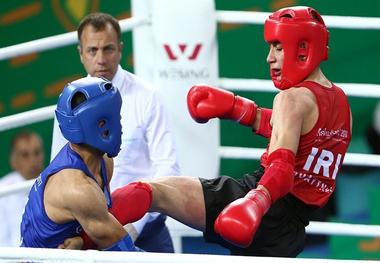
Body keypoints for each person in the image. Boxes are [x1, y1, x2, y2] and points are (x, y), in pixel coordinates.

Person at [63, 6, 352, 256]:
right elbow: (294, 135)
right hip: (291, 230)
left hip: (265, 204)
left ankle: (80, 240)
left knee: (151, 191)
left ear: (302, 48)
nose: (269, 57)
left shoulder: (291, 98)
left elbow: (283, 166)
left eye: (278, 47)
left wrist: (255, 201)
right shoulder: (339, 102)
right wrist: (240, 110)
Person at [50, 12, 180, 253]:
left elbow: (168, 169)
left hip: (146, 229)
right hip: (87, 231)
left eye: (108, 49)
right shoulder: (68, 103)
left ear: (120, 49)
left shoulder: (147, 97)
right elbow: (57, 171)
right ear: (81, 54)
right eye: (92, 50)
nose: (101, 59)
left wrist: (134, 226)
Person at [20, 76, 148, 251]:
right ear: (101, 124)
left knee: (149, 192)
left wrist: (81, 242)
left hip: (71, 251)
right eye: (116, 117)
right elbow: (125, 255)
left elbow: (99, 226)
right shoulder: (76, 187)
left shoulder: (103, 160)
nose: (121, 125)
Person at [0, 131, 44, 247]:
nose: (33, 161)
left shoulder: (55, 181)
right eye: (25, 155)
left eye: (36, 153)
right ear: (13, 161)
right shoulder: (3, 192)